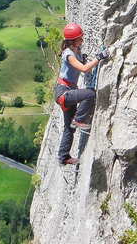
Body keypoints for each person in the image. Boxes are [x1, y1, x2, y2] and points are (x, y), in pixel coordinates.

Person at [54, 23, 109, 166]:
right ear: (71, 41)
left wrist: (83, 58)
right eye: (79, 38)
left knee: (69, 129)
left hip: (66, 92)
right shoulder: (68, 54)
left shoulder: (76, 50)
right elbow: (84, 69)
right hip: (63, 92)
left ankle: (63, 156)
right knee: (90, 94)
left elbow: (81, 64)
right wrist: (98, 58)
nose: (82, 40)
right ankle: (78, 119)